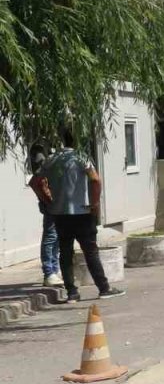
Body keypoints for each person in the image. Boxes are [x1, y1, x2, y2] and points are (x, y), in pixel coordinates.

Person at [28, 129, 125, 303]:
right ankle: (104, 288)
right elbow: (95, 179)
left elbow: (35, 182)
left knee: (65, 253)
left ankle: (72, 292)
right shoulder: (81, 157)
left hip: (60, 214)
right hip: (82, 212)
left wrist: (47, 200)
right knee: (90, 252)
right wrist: (95, 204)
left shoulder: (51, 160)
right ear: (77, 140)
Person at [29, 143, 61, 287]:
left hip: (53, 203)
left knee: (55, 237)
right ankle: (49, 272)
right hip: (51, 204)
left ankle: (54, 269)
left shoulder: (46, 145)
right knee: (51, 236)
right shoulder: (40, 149)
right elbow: (39, 174)